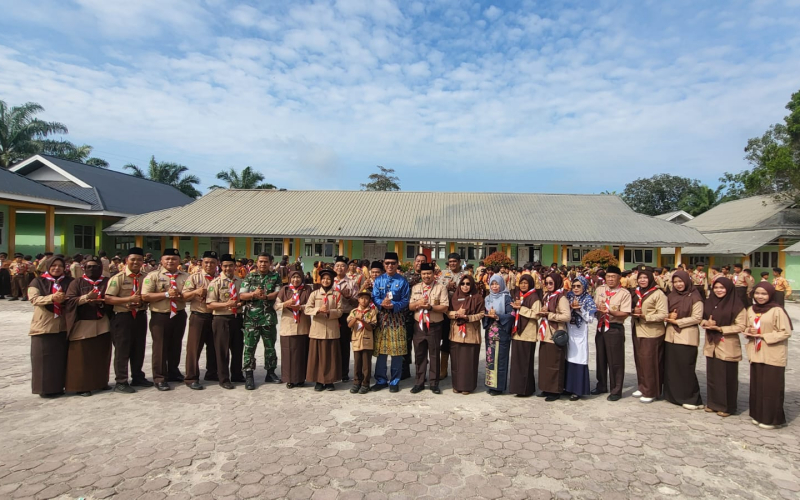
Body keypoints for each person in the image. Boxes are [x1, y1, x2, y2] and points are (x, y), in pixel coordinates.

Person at [104, 247, 153, 393]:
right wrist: (128, 299)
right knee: (122, 349)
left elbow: (148, 296)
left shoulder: (146, 277)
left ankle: (137, 376)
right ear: (126, 261)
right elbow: (108, 298)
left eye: (139, 260)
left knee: (139, 347)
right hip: (123, 317)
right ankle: (121, 381)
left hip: (140, 315)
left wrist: (141, 302)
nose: (136, 262)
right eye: (133, 259)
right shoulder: (118, 278)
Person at [744, 283, 792, 429]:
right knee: (757, 385)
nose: (760, 296)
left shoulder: (777, 310)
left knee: (771, 386)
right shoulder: (751, 309)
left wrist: (763, 335)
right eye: (757, 293)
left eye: (764, 294)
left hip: (773, 352)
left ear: (770, 295)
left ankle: (771, 419)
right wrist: (749, 331)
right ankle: (757, 415)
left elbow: (785, 332)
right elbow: (747, 326)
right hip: (756, 352)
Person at [141, 248, 189, 391]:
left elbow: (189, 293)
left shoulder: (186, 276)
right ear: (161, 260)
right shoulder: (153, 276)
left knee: (176, 344)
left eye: (174, 259)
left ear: (179, 261)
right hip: (160, 315)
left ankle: (173, 371)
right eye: (167, 258)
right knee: (160, 347)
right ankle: (160, 377)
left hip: (179, 314)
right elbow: (145, 296)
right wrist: (167, 294)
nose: (170, 261)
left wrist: (181, 295)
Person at [63, 257, 112, 396]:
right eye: (89, 267)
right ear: (84, 268)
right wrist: (86, 298)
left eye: (95, 266)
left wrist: (101, 302)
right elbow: (69, 301)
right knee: (81, 356)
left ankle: (101, 382)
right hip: (83, 323)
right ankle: (82, 386)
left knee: (101, 353)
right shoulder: (77, 282)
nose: (92, 269)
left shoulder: (107, 281)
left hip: (102, 322)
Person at [27, 255, 73, 397]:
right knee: (43, 359)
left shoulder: (69, 281)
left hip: (63, 326)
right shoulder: (37, 281)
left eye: (60, 266)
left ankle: (60, 386)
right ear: (48, 266)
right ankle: (45, 389)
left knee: (60, 359)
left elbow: (74, 297)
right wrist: (52, 298)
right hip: (44, 326)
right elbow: (34, 299)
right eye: (54, 265)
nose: (57, 268)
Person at [701, 278, 745, 417]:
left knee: (727, 376)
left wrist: (721, 328)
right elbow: (702, 318)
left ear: (729, 289)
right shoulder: (709, 302)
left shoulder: (737, 305)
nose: (719, 290)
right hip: (711, 343)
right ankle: (713, 403)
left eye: (722, 288)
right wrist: (706, 323)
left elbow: (741, 326)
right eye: (716, 287)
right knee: (713, 375)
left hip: (727, 344)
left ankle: (727, 407)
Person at [664, 270, 705, 410]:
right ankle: (674, 396)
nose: (678, 284)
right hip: (670, 336)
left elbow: (697, 318)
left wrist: (678, 322)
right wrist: (669, 316)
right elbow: (665, 312)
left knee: (686, 368)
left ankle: (691, 398)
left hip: (687, 336)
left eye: (680, 281)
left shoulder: (695, 297)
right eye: (675, 282)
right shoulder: (671, 296)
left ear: (687, 281)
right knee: (672, 368)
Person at [239, 253, 283, 386]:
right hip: (251, 319)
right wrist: (253, 294)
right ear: (257, 263)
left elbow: (278, 293)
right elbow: (242, 295)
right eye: (261, 261)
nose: (263, 264)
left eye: (266, 262)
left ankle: (270, 372)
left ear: (270, 263)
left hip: (268, 318)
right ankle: (249, 375)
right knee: (249, 347)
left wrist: (266, 297)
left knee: (270, 347)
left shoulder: (275, 276)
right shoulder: (250, 276)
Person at [180, 251, 220, 390]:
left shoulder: (221, 278)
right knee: (194, 348)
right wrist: (196, 292)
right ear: (202, 263)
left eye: (212, 262)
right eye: (206, 262)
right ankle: (191, 377)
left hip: (216, 316)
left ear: (217, 264)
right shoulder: (194, 277)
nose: (209, 265)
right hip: (199, 315)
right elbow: (184, 296)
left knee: (214, 347)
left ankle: (212, 373)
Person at [371, 252, 411, 393]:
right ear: (384, 264)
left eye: (393, 263)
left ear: (397, 264)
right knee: (381, 352)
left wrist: (394, 305)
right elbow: (374, 296)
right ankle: (381, 380)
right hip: (382, 319)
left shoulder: (403, 281)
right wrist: (381, 303)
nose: (390, 266)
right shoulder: (379, 280)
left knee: (397, 353)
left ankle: (395, 381)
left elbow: (406, 300)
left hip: (397, 319)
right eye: (387, 263)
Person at [592, 266, 631, 401]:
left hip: (615, 328)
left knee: (615, 360)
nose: (610, 279)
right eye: (608, 277)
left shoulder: (624, 293)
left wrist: (610, 311)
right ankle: (601, 385)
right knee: (600, 357)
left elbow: (625, 313)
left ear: (619, 278)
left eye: (613, 277)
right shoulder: (600, 290)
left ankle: (616, 389)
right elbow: (594, 306)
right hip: (601, 326)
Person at [409, 262, 449, 394]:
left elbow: (445, 307)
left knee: (434, 354)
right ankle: (419, 382)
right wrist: (418, 303)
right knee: (419, 354)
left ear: (433, 274)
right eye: (424, 273)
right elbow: (410, 306)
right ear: (420, 274)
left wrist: (430, 307)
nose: (426, 276)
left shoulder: (441, 288)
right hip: (419, 325)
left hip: (434, 326)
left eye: (429, 273)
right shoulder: (416, 287)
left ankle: (434, 383)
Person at [630, 267, 668, 403]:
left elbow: (664, 314)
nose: (642, 280)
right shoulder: (637, 292)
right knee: (640, 361)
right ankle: (643, 386)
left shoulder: (658, 293)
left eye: (645, 278)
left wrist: (646, 317)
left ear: (651, 278)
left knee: (651, 362)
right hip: (637, 329)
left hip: (652, 332)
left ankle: (652, 391)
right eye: (640, 278)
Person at [206, 254, 244, 390]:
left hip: (237, 318)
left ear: (235, 267)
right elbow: (210, 304)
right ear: (221, 267)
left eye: (231, 266)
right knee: (222, 351)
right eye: (225, 266)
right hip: (221, 319)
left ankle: (237, 374)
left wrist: (240, 304)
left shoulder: (240, 282)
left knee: (238, 348)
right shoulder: (215, 283)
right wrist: (226, 304)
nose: (228, 268)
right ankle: (224, 378)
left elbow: (243, 298)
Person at [304, 268, 343, 391]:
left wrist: (330, 312)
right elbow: (307, 309)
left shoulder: (337, 295)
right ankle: (319, 381)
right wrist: (318, 310)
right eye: (324, 279)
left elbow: (340, 311)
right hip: (317, 330)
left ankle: (330, 381)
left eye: (328, 279)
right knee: (317, 357)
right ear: (320, 280)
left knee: (331, 356)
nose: (326, 281)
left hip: (331, 330)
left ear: (332, 281)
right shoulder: (314, 294)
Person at [447, 275, 485, 395]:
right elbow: (447, 312)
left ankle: (468, 386)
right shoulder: (454, 297)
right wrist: (456, 314)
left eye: (468, 284)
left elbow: (482, 314)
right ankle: (457, 385)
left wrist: (467, 317)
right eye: (463, 284)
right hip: (456, 334)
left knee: (469, 362)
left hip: (471, 334)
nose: (465, 286)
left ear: (472, 285)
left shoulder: (478, 298)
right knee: (456, 361)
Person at [274, 270, 312, 388]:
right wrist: (286, 303)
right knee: (288, 353)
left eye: (298, 277)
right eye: (293, 277)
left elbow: (312, 305)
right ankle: (289, 379)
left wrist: (301, 307)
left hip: (303, 325)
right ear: (290, 278)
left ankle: (301, 379)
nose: (296, 280)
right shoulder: (284, 290)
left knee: (302, 352)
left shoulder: (307, 289)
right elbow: (276, 306)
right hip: (288, 326)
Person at [536, 273, 571, 401]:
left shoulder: (561, 298)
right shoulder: (547, 296)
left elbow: (567, 316)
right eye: (546, 283)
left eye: (551, 283)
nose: (548, 285)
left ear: (557, 282)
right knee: (545, 362)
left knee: (555, 363)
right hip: (545, 333)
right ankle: (546, 387)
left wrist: (549, 315)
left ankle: (555, 390)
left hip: (556, 334)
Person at [564, 276, 596, 401]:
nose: (576, 288)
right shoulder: (569, 296)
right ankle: (567, 387)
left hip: (580, 332)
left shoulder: (587, 299)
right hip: (569, 330)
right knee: (568, 357)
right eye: (574, 286)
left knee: (579, 358)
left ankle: (577, 389)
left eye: (579, 286)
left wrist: (580, 310)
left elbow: (590, 319)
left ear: (584, 287)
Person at [508, 274, 540, 397]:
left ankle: (526, 389)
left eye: (526, 283)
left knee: (526, 362)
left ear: (530, 284)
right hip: (517, 332)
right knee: (517, 362)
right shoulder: (518, 295)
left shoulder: (534, 297)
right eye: (521, 283)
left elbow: (536, 314)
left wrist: (521, 309)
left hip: (528, 333)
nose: (523, 285)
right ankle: (517, 388)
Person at [482, 274, 513, 396]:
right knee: (490, 359)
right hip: (490, 333)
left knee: (500, 359)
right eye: (492, 284)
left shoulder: (506, 298)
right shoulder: (487, 298)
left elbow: (511, 315)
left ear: (502, 284)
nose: (494, 286)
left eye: (497, 284)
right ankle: (491, 384)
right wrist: (487, 316)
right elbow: (484, 313)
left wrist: (498, 316)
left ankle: (499, 387)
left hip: (502, 332)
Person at [437, 253, 465, 380]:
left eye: (454, 261)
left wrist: (458, 288)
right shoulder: (443, 274)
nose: (452, 263)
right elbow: (437, 289)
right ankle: (443, 370)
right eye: (450, 261)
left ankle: (459, 369)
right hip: (445, 312)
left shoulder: (465, 275)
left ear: (459, 262)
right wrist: (446, 287)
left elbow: (470, 290)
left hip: (460, 312)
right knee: (445, 340)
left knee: (458, 341)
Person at [347, 289, 378, 394]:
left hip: (367, 341)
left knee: (366, 364)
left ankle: (365, 383)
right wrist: (356, 318)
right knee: (357, 363)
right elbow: (349, 325)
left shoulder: (372, 312)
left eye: (366, 298)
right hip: (356, 340)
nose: (364, 300)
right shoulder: (354, 311)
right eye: (361, 298)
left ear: (369, 300)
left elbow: (371, 327)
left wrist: (362, 320)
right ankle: (356, 382)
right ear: (358, 299)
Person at [403, 254, 427, 380]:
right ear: (414, 262)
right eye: (418, 261)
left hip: (423, 316)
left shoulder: (428, 276)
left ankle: (421, 373)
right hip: (407, 315)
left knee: (421, 345)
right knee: (405, 344)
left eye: (423, 261)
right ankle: (404, 371)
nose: (420, 263)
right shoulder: (405, 276)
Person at [333, 256, 357, 382]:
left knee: (344, 344)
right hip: (331, 317)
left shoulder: (352, 283)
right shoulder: (329, 281)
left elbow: (357, 303)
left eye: (342, 266)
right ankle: (332, 371)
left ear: (347, 268)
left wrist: (349, 298)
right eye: (337, 265)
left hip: (345, 316)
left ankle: (344, 372)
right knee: (332, 344)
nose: (340, 268)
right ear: (334, 268)